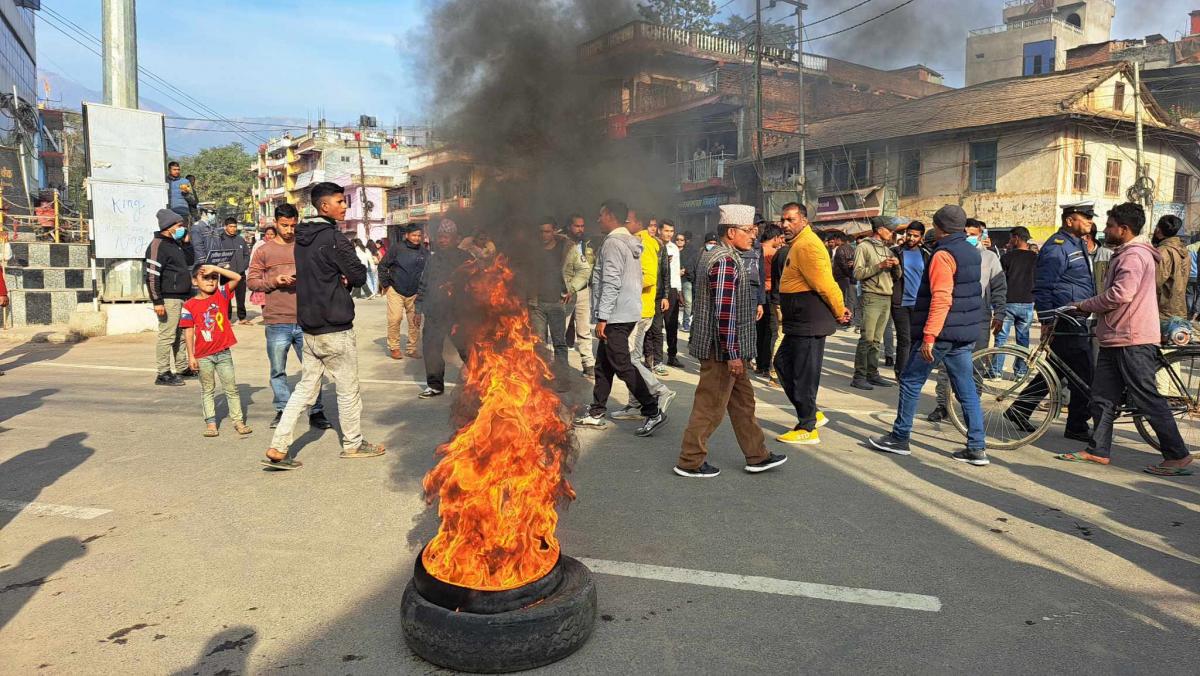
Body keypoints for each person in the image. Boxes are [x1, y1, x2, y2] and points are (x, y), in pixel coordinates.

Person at [1056, 202, 1194, 477]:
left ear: (1124, 229)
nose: (1105, 230)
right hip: (1116, 336)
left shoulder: (1133, 256)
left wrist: (1085, 305)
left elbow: (1120, 295)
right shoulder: (1128, 253)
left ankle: (1177, 455)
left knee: (1146, 398)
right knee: (1102, 398)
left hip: (1132, 337)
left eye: (1109, 226)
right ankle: (1098, 450)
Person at [263, 182, 383, 470]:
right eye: (340, 201)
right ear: (324, 206)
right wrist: (345, 276)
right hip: (335, 326)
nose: (345, 206)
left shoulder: (300, 238)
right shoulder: (333, 238)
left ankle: (279, 445)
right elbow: (357, 275)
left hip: (309, 327)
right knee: (347, 388)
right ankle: (354, 443)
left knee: (305, 388)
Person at [869, 205, 989, 466]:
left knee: (911, 380)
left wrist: (930, 336)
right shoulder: (973, 251)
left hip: (942, 331)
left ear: (940, 227)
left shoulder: (943, 254)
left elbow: (943, 297)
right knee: (966, 388)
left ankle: (900, 437)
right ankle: (977, 447)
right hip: (964, 331)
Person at [675, 204, 787, 478]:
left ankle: (757, 455)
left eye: (756, 230)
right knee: (710, 407)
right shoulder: (725, 261)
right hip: (722, 351)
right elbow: (724, 313)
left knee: (743, 404)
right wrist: (734, 354)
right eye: (750, 231)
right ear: (732, 232)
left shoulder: (718, 254)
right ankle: (690, 461)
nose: (754, 236)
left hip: (728, 349)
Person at [574, 200, 666, 437]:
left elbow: (611, 281)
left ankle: (652, 410)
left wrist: (603, 317)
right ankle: (596, 412)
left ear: (612, 216)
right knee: (603, 365)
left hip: (615, 315)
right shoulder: (629, 242)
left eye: (601, 215)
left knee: (622, 364)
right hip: (626, 311)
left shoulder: (614, 243)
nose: (598, 219)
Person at [1006, 202, 1097, 442]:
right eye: (1084, 218)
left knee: (1058, 369)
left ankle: (1020, 408)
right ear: (1069, 221)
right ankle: (1077, 424)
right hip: (1065, 317)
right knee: (1083, 373)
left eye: (1090, 218)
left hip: (1075, 316)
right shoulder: (1058, 247)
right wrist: (1046, 318)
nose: (1089, 222)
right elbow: (1044, 284)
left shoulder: (1076, 244)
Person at [247, 203, 331, 431]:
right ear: (275, 223)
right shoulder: (263, 251)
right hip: (277, 320)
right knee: (278, 369)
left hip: (306, 318)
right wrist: (275, 281)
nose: (289, 230)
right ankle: (283, 409)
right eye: (284, 226)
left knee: (313, 369)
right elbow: (252, 282)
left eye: (293, 225)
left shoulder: (305, 247)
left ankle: (316, 410)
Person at [774, 202, 849, 445]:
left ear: (804, 221)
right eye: (783, 220)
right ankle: (812, 412)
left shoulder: (808, 245)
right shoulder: (797, 244)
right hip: (798, 319)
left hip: (809, 319)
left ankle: (807, 426)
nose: (785, 224)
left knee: (803, 374)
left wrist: (840, 310)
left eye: (791, 220)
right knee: (783, 364)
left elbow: (825, 284)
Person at [610, 210, 676, 421]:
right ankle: (634, 404)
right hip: (635, 309)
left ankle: (659, 390)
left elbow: (648, 277)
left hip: (639, 310)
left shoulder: (645, 242)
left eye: (627, 220)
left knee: (632, 358)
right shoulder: (641, 240)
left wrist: (621, 286)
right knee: (629, 357)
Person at [181, 264, 252, 438]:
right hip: (203, 355)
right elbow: (188, 331)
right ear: (194, 281)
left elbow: (237, 277)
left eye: (214, 278)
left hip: (223, 353)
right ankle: (211, 424)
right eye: (205, 277)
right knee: (208, 389)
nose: (211, 281)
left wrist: (215, 268)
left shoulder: (221, 295)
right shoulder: (189, 306)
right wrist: (191, 356)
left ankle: (238, 421)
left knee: (231, 388)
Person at [418, 219, 472, 398]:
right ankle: (434, 385)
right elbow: (423, 284)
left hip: (458, 315)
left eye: (446, 237)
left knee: (467, 349)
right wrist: (418, 309)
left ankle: (480, 380)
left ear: (456, 239)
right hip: (434, 314)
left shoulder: (466, 259)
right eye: (440, 237)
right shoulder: (432, 259)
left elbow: (477, 285)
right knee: (431, 350)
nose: (442, 240)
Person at [145, 209, 196, 386]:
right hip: (169, 298)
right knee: (167, 336)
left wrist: (187, 243)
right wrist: (157, 301)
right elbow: (152, 276)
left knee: (181, 335)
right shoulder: (157, 245)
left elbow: (189, 262)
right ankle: (163, 372)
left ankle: (182, 368)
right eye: (179, 225)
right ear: (169, 227)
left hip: (184, 297)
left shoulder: (176, 244)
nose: (183, 228)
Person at [851, 217, 899, 389]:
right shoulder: (863, 247)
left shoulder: (888, 250)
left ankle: (872, 373)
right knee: (867, 338)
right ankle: (859, 376)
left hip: (887, 295)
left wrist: (896, 265)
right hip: (871, 296)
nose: (892, 233)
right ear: (879, 230)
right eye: (889, 229)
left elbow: (897, 276)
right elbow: (857, 273)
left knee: (877, 340)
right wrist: (879, 265)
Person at [529, 218, 572, 378]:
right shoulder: (533, 249)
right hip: (536, 303)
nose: (543, 235)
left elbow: (583, 269)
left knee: (559, 342)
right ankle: (541, 378)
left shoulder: (566, 248)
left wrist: (571, 288)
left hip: (557, 302)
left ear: (554, 231)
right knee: (539, 344)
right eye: (541, 231)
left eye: (547, 231)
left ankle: (562, 377)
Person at [379, 224, 427, 360]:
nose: (417, 238)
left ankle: (411, 349)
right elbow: (383, 266)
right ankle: (394, 347)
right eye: (414, 235)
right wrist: (386, 284)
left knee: (415, 322)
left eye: (419, 235)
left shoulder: (424, 252)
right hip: (395, 289)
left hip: (414, 292)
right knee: (395, 319)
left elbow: (429, 272)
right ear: (407, 235)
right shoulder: (397, 248)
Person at [995, 226, 1037, 378]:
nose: (1010, 241)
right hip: (1028, 302)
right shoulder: (1035, 258)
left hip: (1009, 302)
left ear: (1017, 238)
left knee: (1001, 338)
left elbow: (1000, 281)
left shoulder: (1007, 257)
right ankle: (1020, 372)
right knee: (1023, 339)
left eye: (1011, 237)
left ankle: (996, 371)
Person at [890, 221, 929, 382]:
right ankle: (901, 373)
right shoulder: (895, 252)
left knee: (916, 340)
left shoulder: (927, 254)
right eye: (909, 234)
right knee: (904, 339)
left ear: (921, 237)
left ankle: (912, 371)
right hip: (900, 302)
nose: (911, 238)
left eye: (915, 235)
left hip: (919, 304)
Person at [563, 213, 597, 378]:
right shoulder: (561, 242)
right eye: (577, 226)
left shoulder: (588, 243)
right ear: (569, 226)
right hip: (565, 291)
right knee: (560, 329)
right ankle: (558, 365)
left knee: (584, 329)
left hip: (583, 290)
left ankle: (588, 364)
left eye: (582, 226)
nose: (580, 229)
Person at [756, 223, 785, 381]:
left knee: (759, 331)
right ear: (775, 237)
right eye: (780, 238)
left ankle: (760, 364)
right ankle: (768, 367)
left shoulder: (755, 248)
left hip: (757, 294)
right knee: (772, 331)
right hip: (770, 293)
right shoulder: (774, 253)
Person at [212, 218, 252, 324]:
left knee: (241, 296)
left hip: (240, 273)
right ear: (225, 227)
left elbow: (246, 255)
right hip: (226, 274)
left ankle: (242, 318)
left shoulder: (240, 239)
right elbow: (217, 255)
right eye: (231, 226)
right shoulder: (220, 240)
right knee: (226, 297)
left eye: (235, 226)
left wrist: (243, 267)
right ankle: (227, 318)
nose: (233, 229)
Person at [1152, 214, 1188, 321]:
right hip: (1180, 307)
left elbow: (1154, 282)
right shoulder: (1185, 251)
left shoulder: (1163, 251)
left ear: (1159, 230)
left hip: (1163, 310)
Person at [659, 219, 684, 369]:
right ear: (660, 231)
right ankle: (652, 356)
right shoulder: (654, 245)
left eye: (671, 231)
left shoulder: (673, 248)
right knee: (654, 325)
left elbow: (675, 271)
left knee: (671, 325)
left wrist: (679, 291)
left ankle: (672, 355)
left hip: (672, 289)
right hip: (657, 288)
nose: (669, 234)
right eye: (666, 230)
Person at [678, 230, 697, 332]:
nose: (679, 241)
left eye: (682, 240)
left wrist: (684, 270)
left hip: (685, 279)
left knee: (688, 302)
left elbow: (691, 264)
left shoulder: (689, 251)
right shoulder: (670, 250)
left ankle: (686, 324)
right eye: (677, 240)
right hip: (673, 280)